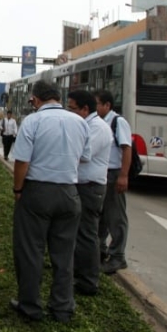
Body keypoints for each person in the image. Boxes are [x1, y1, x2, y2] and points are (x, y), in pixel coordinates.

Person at [8, 80, 90, 323]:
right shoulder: (80, 122)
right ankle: (63, 308)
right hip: (69, 193)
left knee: (31, 251)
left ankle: (30, 307)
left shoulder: (33, 121)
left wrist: (18, 189)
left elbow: (22, 161)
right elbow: (84, 158)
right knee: (64, 254)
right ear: (58, 97)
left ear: (35, 99)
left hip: (37, 192)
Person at [66, 90, 112, 295]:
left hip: (90, 188)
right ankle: (78, 272)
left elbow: (83, 155)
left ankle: (88, 281)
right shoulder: (86, 124)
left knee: (87, 235)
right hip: (82, 185)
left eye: (72, 108)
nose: (70, 112)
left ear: (85, 109)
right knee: (78, 232)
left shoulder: (98, 128)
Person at [95, 90, 133, 274]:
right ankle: (100, 251)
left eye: (97, 104)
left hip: (114, 173)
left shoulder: (118, 122)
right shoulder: (101, 122)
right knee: (101, 215)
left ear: (107, 105)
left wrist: (123, 176)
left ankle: (118, 256)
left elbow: (126, 149)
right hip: (103, 174)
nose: (94, 108)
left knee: (116, 216)